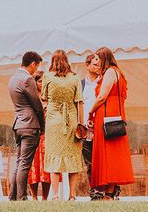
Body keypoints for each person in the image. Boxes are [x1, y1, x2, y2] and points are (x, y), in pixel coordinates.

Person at [88, 47, 135, 199]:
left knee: (107, 153)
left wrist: (91, 112)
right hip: (116, 115)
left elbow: (102, 97)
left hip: (106, 114)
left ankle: (108, 192)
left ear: (104, 59)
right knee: (113, 154)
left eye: (97, 58)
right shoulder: (119, 73)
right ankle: (110, 192)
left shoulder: (109, 72)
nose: (95, 61)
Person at [41, 50, 84, 200]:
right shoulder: (75, 78)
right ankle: (72, 195)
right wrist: (81, 123)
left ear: (53, 61)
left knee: (54, 157)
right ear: (67, 61)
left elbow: (44, 98)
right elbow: (79, 102)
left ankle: (55, 195)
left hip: (53, 121)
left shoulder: (47, 77)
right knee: (73, 157)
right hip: (71, 119)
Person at [7, 51, 45, 201]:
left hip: (18, 124)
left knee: (19, 162)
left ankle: (13, 196)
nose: (36, 70)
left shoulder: (13, 78)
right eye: (37, 66)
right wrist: (42, 126)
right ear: (33, 64)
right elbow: (37, 105)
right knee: (24, 163)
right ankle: (22, 197)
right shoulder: (27, 79)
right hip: (30, 124)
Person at [81, 54, 103, 200]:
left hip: (100, 127)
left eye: (99, 64)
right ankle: (94, 190)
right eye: (95, 64)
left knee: (103, 160)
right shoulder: (80, 84)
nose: (98, 67)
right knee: (89, 162)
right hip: (85, 128)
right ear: (87, 65)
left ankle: (108, 190)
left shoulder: (102, 82)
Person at [27, 71, 51, 201]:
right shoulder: (31, 98)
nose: (42, 83)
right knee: (33, 168)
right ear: (35, 83)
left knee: (46, 169)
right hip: (34, 135)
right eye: (40, 81)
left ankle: (45, 198)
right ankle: (34, 196)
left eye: (44, 81)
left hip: (48, 137)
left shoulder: (50, 98)